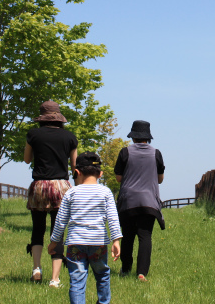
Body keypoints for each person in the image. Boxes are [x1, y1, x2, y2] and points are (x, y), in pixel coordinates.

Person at [49, 152, 122, 304]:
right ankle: (103, 302)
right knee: (102, 275)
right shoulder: (106, 192)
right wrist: (116, 240)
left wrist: (54, 242)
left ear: (77, 172)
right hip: (98, 243)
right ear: (100, 174)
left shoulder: (71, 193)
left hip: (76, 243)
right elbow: (113, 218)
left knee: (77, 280)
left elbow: (61, 220)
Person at [24, 100, 78, 287]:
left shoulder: (33, 134)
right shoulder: (69, 137)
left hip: (39, 185)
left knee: (37, 229)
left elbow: (26, 159)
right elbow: (74, 167)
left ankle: (37, 269)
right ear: (58, 117)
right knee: (58, 231)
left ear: (41, 118)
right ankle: (55, 279)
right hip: (60, 187)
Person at [114, 120, 165, 282]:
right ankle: (142, 272)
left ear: (133, 137)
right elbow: (160, 179)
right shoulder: (156, 153)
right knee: (145, 236)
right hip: (149, 201)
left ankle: (126, 268)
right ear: (147, 138)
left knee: (128, 236)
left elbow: (118, 178)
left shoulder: (124, 152)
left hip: (129, 201)